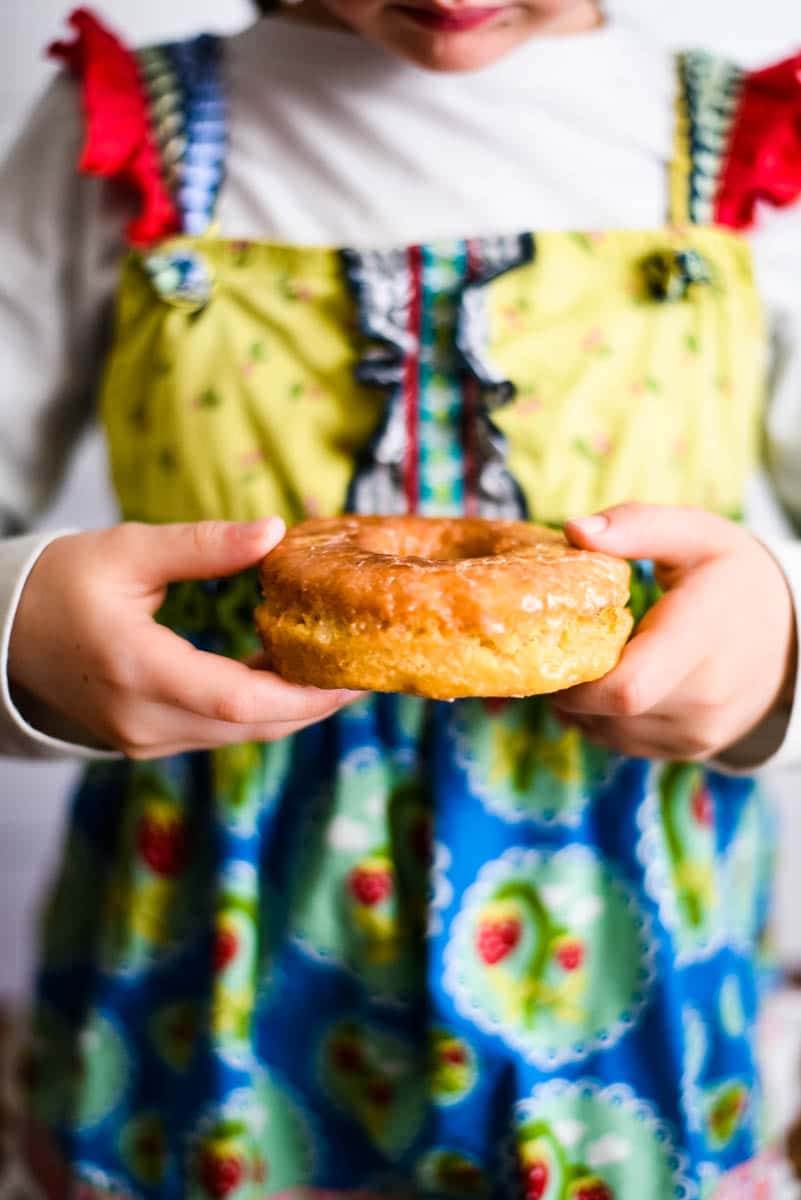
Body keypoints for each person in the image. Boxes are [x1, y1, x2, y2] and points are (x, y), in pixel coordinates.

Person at [1, 0, 801, 1195]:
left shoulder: (753, 154)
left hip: (619, 967)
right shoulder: (116, 133)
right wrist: (18, 630)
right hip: (206, 958)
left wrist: (779, 649)